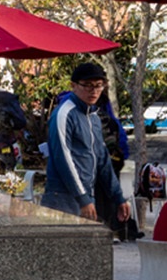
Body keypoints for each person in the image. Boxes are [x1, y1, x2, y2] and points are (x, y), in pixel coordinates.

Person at [41, 61, 124, 227]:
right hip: (62, 198)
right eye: (87, 85)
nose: (93, 91)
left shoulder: (94, 116)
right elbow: (63, 159)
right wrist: (82, 198)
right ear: (73, 85)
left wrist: (118, 197)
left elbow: (102, 160)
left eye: (99, 86)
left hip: (87, 197)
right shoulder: (64, 114)